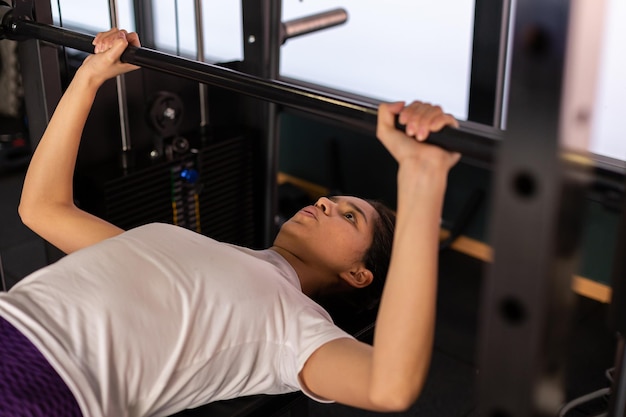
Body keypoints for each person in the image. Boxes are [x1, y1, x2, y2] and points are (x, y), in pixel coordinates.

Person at [0, 28, 460, 417]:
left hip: (42, 384)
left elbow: (389, 385)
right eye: (334, 200)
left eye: (349, 215)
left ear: (359, 274)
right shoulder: (206, 253)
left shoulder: (294, 325)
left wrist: (422, 181)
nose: (324, 203)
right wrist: (89, 78)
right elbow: (42, 209)